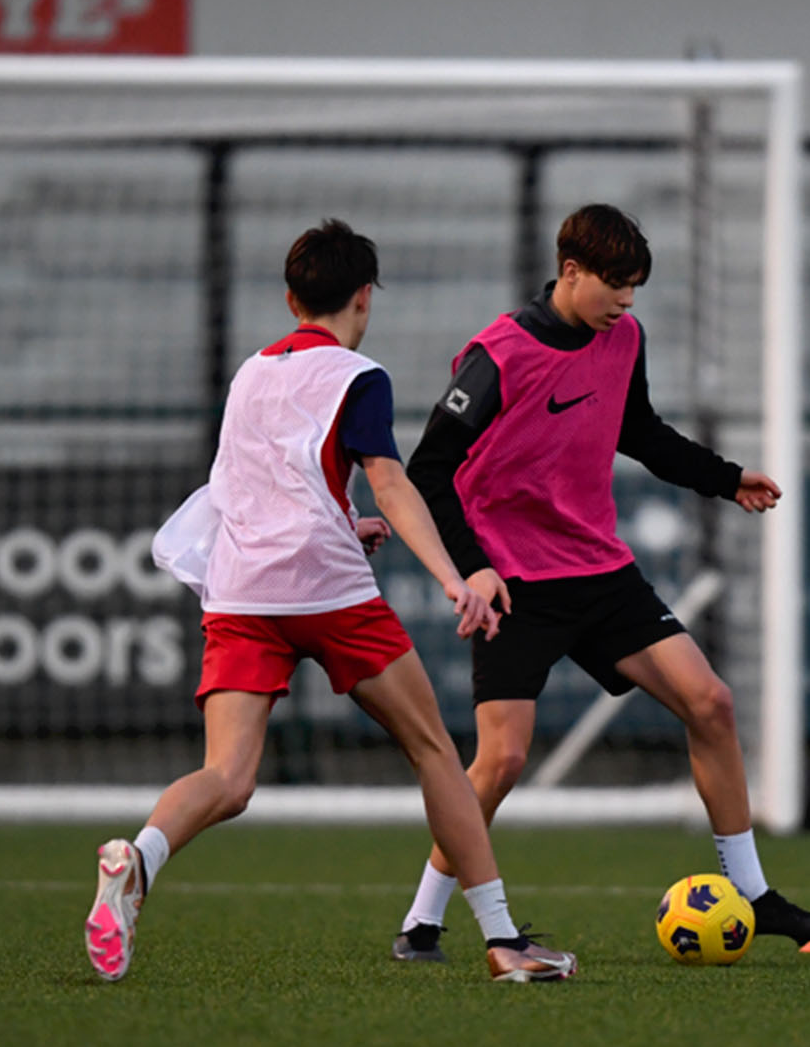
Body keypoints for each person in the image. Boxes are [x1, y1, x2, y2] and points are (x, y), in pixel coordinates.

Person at [95, 220, 578, 984]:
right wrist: (457, 578)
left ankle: (139, 857)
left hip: (242, 592)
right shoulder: (360, 376)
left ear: (291, 299)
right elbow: (390, 478)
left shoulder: (250, 373)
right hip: (328, 592)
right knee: (436, 753)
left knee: (226, 777)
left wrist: (345, 520)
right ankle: (502, 940)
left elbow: (250, 489)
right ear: (364, 297)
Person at [384, 203, 810, 962]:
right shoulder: (499, 355)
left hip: (600, 570)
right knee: (501, 760)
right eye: (616, 286)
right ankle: (422, 922)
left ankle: (755, 897)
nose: (627, 303)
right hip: (515, 583)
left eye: (635, 288)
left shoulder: (622, 337)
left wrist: (725, 477)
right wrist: (473, 564)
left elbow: (640, 431)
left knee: (711, 702)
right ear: (570, 271)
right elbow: (428, 471)